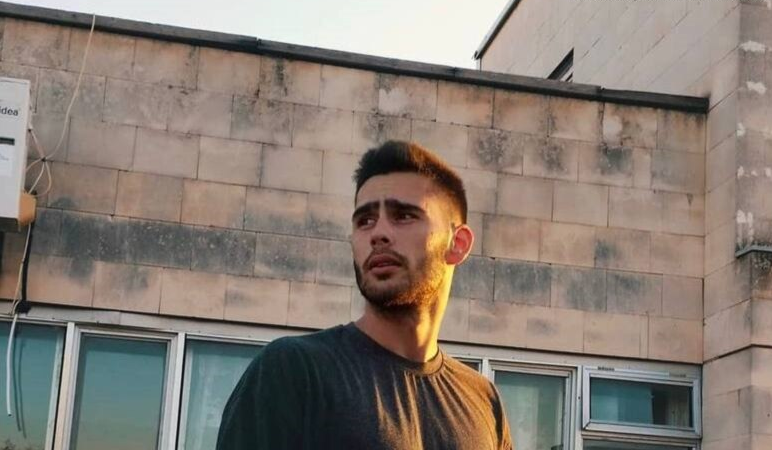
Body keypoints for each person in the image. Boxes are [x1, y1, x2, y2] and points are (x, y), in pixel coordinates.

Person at [216, 140, 513, 450]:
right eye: (365, 221)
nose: (378, 233)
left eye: (404, 216)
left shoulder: (484, 401)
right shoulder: (293, 370)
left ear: (458, 243)